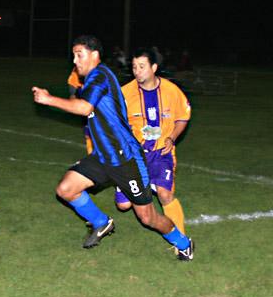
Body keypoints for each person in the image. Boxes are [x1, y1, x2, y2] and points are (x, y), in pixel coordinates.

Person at [32, 35, 194, 261]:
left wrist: (49, 99)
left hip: (127, 159)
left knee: (147, 217)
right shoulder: (90, 80)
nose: (75, 61)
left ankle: (183, 242)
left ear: (94, 55)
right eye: (73, 56)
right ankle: (101, 222)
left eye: (79, 55)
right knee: (66, 189)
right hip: (103, 157)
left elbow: (84, 107)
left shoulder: (101, 76)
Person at [115, 47, 191, 239]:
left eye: (142, 66)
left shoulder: (172, 91)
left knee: (165, 194)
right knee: (123, 206)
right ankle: (144, 184)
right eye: (134, 67)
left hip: (161, 153)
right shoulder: (124, 94)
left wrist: (172, 137)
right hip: (134, 156)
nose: (137, 71)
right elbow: (114, 124)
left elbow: (183, 117)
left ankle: (180, 241)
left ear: (154, 67)